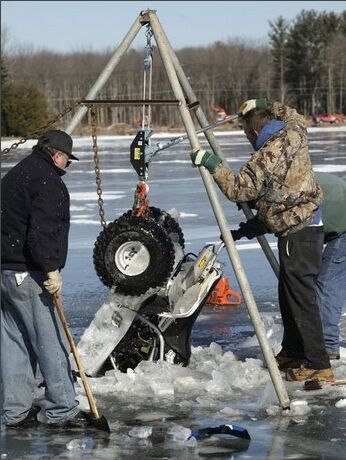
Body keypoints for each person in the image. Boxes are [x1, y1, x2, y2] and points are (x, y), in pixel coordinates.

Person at [190, 98, 333, 382]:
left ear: (254, 134)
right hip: (307, 228)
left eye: (246, 135)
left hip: (297, 233)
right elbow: (293, 113)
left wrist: (211, 163)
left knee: (301, 301)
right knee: (289, 296)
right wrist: (266, 102)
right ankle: (293, 350)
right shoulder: (295, 132)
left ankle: (318, 363)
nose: (247, 140)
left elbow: (238, 189)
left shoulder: (266, 156)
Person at [1, 130, 91, 428]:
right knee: (49, 339)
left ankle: (14, 412)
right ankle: (62, 409)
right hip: (28, 273)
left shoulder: (15, 175)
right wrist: (51, 269)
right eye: (67, 160)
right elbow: (43, 230)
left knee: (14, 342)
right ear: (56, 155)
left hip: (4, 272)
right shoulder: (47, 181)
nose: (67, 166)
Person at [229, 172, 346, 362]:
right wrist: (245, 230)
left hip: (343, 228)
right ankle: (309, 345)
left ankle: (328, 346)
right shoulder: (280, 186)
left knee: (326, 287)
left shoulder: (280, 194)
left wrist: (246, 230)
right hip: (334, 213)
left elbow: (278, 218)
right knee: (312, 288)